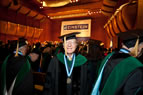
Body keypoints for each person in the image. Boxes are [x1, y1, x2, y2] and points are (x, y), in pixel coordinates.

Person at [91, 29, 143, 95]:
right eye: (141, 46)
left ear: (122, 43)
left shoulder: (108, 57)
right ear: (137, 46)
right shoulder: (135, 66)